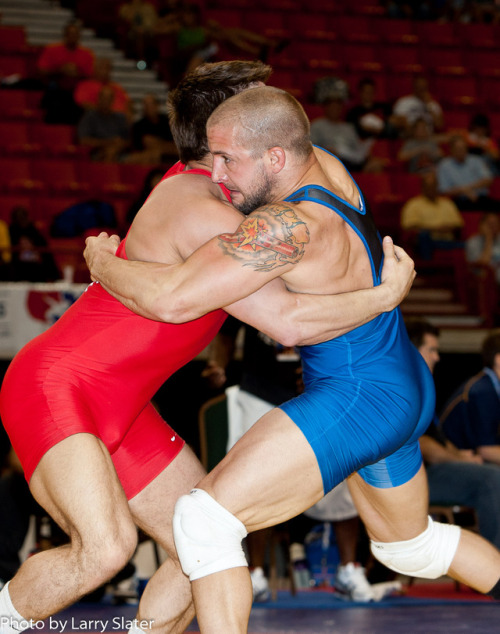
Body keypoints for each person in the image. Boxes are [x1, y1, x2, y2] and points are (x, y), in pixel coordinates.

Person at [0, 62, 415, 634]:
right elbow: (285, 321)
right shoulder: (200, 209)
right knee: (105, 548)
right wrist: (384, 296)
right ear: (220, 131)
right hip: (57, 384)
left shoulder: (250, 192)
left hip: (124, 405)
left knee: (201, 547)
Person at [85, 85, 500, 634]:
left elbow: (171, 299)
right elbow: (273, 121)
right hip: (401, 377)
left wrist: (102, 260)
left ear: (275, 158)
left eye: (229, 159)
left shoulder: (290, 227)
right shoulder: (325, 165)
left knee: (205, 520)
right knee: (412, 549)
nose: (218, 175)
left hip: (357, 395)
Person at [406, 318, 500, 551]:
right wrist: (462, 459)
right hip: (413, 478)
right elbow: (424, 445)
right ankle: (494, 568)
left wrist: (462, 457)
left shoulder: (420, 386)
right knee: (492, 479)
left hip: (439, 470)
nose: (437, 357)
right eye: (432, 350)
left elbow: (439, 440)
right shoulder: (403, 389)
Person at [440, 329, 500, 465]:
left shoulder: (489, 385)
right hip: (451, 464)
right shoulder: (483, 392)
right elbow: (486, 450)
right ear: (498, 359)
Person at [310, 77, 384, 173]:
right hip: (329, 162)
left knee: (376, 165)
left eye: (338, 106)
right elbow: (311, 149)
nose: (335, 109)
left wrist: (367, 154)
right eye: (332, 105)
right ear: (326, 107)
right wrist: (326, 151)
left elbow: (358, 150)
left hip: (350, 162)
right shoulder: (317, 125)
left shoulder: (348, 127)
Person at [37, 20, 94, 124]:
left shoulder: (87, 54)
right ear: (65, 35)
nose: (73, 37)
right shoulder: (52, 50)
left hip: (77, 92)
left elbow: (90, 75)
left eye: (75, 34)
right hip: (55, 89)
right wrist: (61, 70)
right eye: (70, 34)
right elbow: (42, 71)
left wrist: (76, 73)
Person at [400, 170, 464, 259]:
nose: (432, 189)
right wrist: (435, 229)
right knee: (423, 236)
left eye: (434, 186)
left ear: (437, 187)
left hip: (447, 240)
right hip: (426, 241)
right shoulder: (413, 204)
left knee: (469, 244)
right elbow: (409, 226)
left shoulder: (448, 203)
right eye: (428, 187)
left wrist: (447, 228)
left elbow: (458, 224)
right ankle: (428, 270)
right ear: (422, 187)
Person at [437, 134, 497, 212]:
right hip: (458, 200)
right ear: (451, 150)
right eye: (458, 149)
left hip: (479, 198)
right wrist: (462, 191)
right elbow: (443, 190)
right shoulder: (444, 165)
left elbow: (488, 179)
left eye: (463, 148)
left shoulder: (476, 160)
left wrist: (468, 188)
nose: (462, 151)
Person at [77, 85, 131, 162]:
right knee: (108, 154)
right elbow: (83, 141)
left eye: (108, 99)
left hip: (119, 153)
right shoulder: (89, 117)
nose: (105, 101)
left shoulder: (120, 118)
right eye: (103, 98)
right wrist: (109, 142)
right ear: (98, 99)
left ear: (112, 101)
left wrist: (118, 146)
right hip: (96, 153)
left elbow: (129, 140)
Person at [127, 94, 178, 165]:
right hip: (146, 157)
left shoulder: (167, 122)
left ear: (157, 106)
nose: (149, 108)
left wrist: (158, 146)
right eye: (146, 106)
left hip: (168, 154)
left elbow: (175, 146)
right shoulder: (138, 126)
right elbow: (137, 148)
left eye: (151, 105)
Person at [465, 211, 500, 284]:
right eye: (490, 224)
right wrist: (488, 239)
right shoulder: (473, 242)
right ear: (481, 225)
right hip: (483, 276)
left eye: (496, 224)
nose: (493, 227)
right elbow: (482, 265)